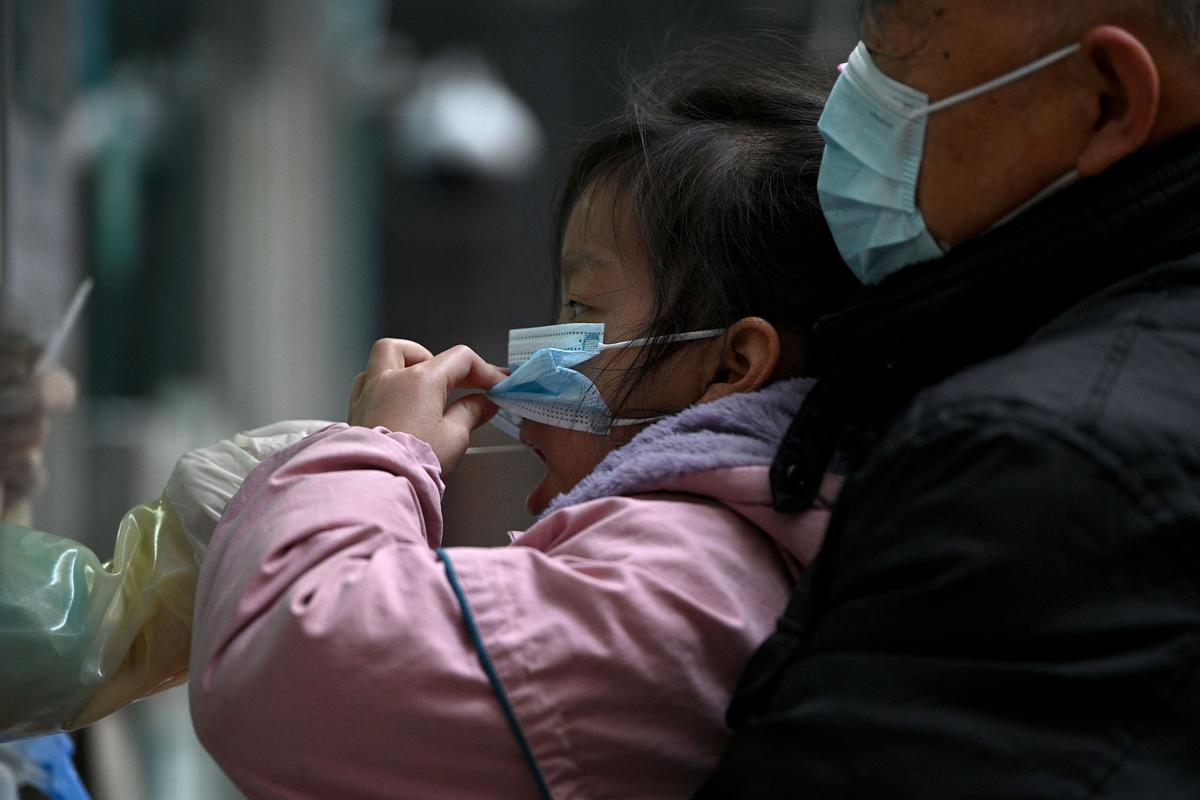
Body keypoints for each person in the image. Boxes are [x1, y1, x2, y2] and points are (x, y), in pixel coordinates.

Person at [185, 49, 859, 799]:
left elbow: (291, 667)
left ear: (733, 366)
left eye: (582, 310)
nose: (533, 362)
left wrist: (378, 456)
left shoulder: (692, 573)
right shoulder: (753, 545)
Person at [697, 1, 1200, 796]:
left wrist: (415, 474)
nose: (846, 97)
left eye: (893, 39)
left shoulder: (1032, 465)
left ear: (1106, 99)